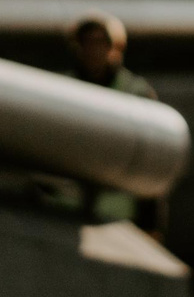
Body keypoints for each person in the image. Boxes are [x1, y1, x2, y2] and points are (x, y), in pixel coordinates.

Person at [67, 12, 159, 224]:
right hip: (69, 212)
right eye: (87, 42)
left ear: (116, 46)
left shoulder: (136, 92)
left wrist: (151, 220)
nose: (94, 50)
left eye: (101, 42)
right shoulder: (64, 88)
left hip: (118, 214)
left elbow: (152, 157)